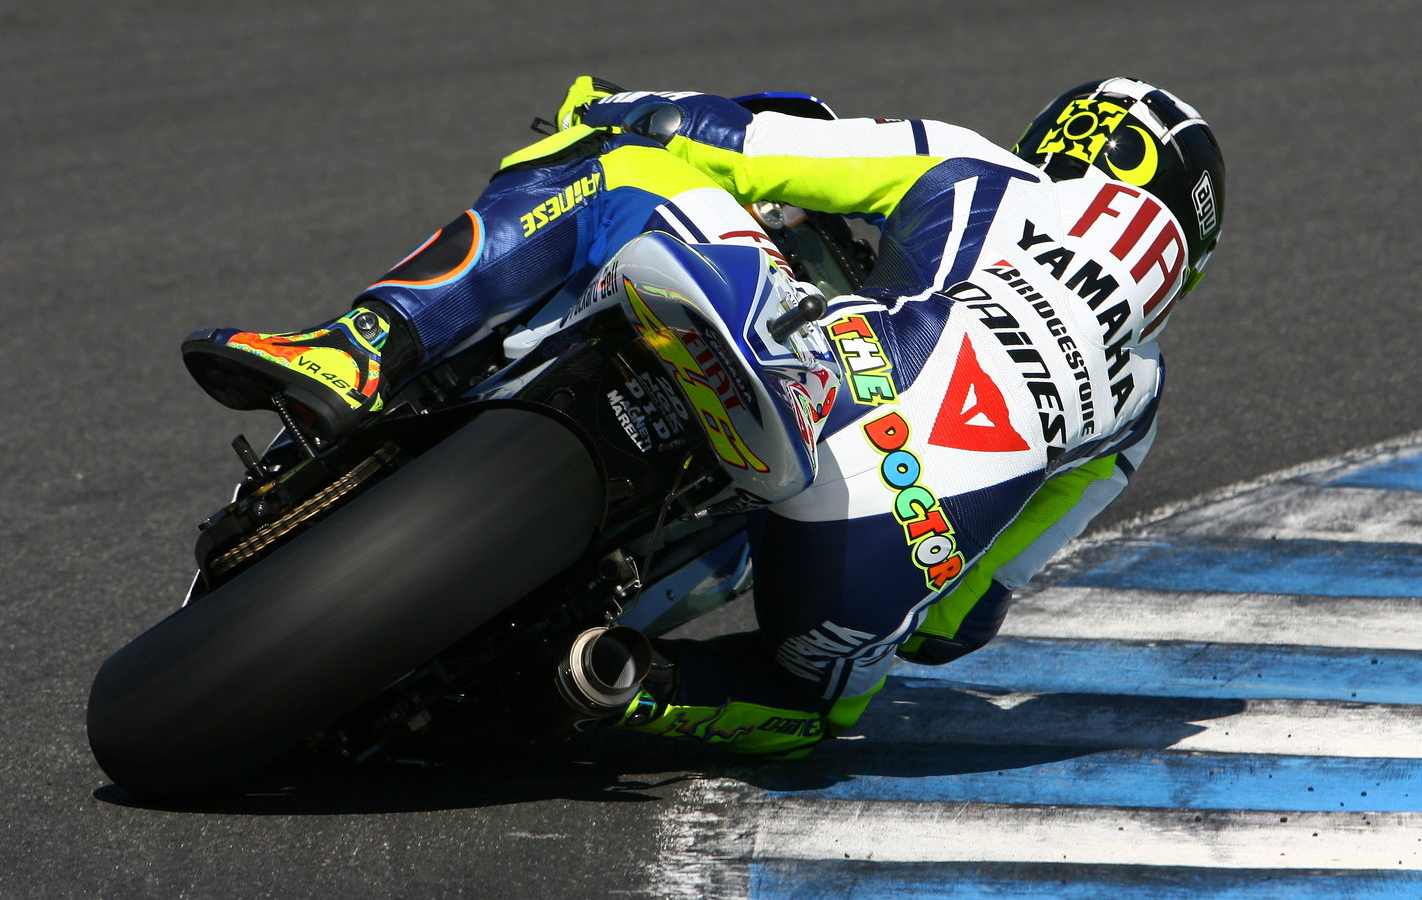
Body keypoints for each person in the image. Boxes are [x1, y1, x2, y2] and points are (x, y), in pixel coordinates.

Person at [182, 75, 1225, 758]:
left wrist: (614, 104)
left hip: (835, 378)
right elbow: (957, 630)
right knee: (818, 702)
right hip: (877, 554)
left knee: (620, 177)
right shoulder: (1138, 406)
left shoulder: (978, 167)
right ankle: (614, 684)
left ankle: (358, 348)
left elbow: (732, 146)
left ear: (1058, 140)